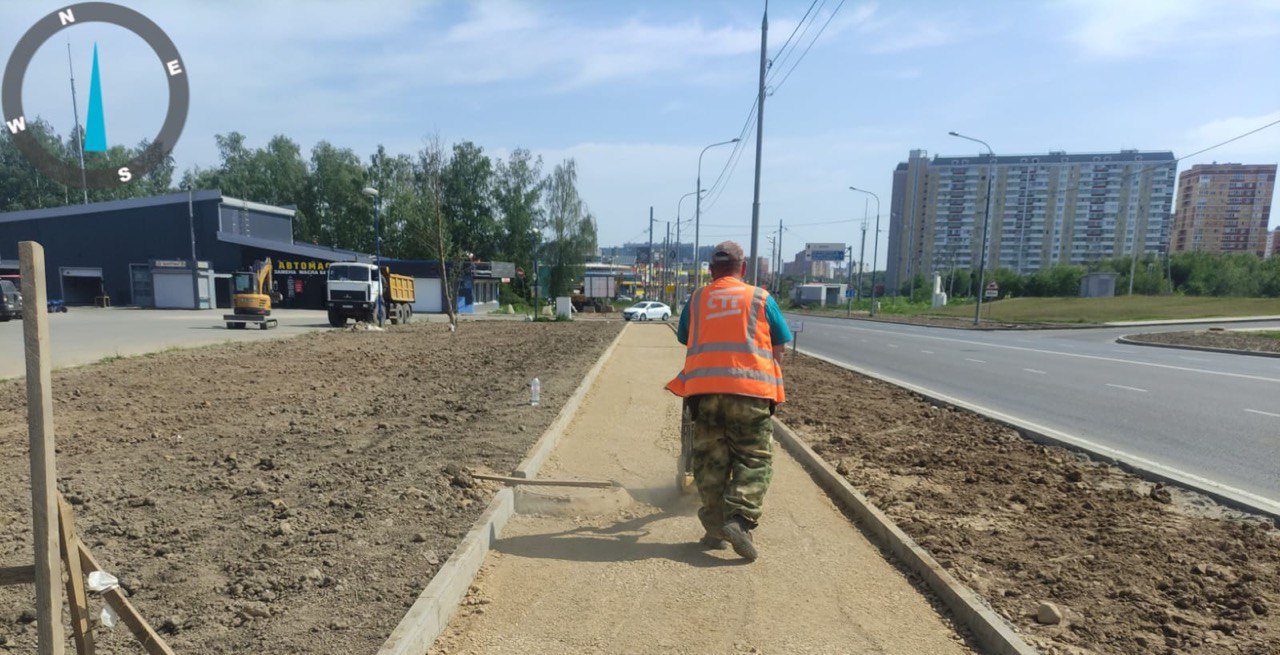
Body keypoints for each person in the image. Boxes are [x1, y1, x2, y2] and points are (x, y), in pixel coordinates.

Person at [665, 241, 791, 561]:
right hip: (750, 393)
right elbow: (779, 347)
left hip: (704, 394)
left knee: (710, 461)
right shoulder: (761, 298)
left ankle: (714, 526)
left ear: (711, 270)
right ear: (743, 268)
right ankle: (738, 521)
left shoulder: (696, 300)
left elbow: (685, 337)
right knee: (753, 459)